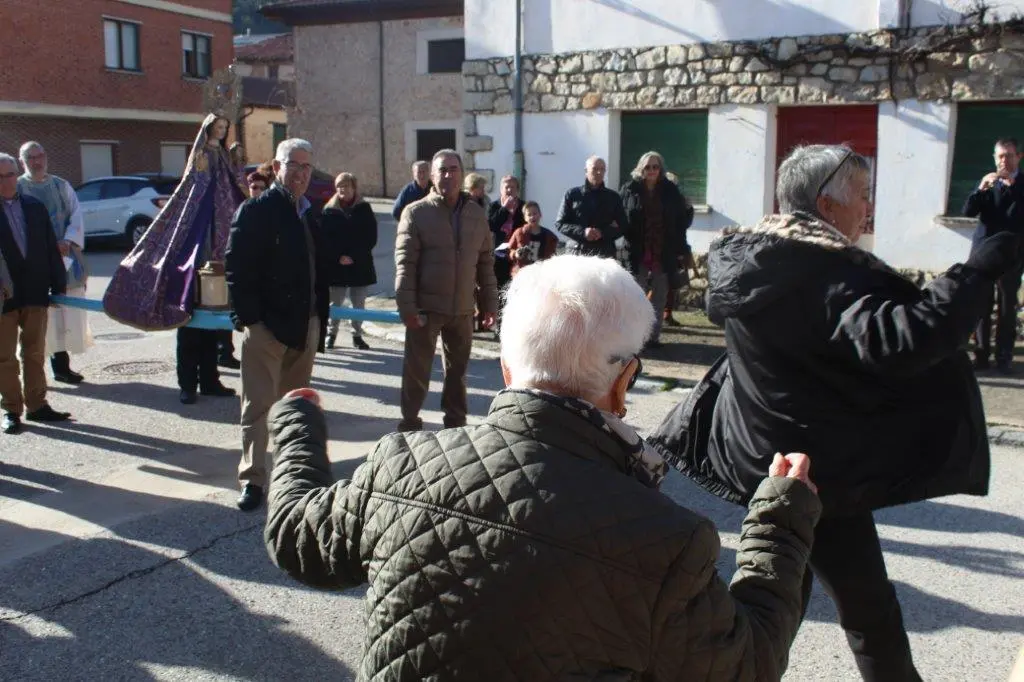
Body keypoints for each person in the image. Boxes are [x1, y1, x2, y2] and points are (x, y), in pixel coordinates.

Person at [262, 254, 822, 681]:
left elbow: (295, 534)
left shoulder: (402, 464)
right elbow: (749, 662)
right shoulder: (666, 541)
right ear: (623, 380)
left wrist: (296, 424)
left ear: (507, 369)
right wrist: (779, 519)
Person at [649, 144, 1021, 682]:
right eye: (863, 196)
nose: (868, 209)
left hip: (769, 456)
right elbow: (902, 338)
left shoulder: (759, 258)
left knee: (776, 600)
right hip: (809, 470)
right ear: (826, 205)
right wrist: (976, 271)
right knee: (867, 613)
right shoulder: (818, 269)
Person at [103, 114, 246, 405]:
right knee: (189, 323)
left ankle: (210, 380)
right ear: (207, 130)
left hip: (217, 253)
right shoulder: (202, 158)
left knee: (212, 326)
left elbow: (234, 190)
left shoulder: (222, 158)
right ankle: (187, 384)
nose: (220, 132)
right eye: (216, 128)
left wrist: (236, 164)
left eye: (223, 128)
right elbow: (194, 185)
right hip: (192, 256)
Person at [226, 137, 331, 512]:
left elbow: (317, 270)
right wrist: (251, 321)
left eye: (307, 167)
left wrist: (320, 317)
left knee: (295, 408)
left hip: (305, 324)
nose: (302, 174)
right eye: (294, 165)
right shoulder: (255, 210)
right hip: (267, 328)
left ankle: (291, 476)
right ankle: (253, 480)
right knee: (257, 408)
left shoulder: (310, 211)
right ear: (276, 166)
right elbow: (237, 270)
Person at [394, 149, 498, 432]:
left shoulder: (476, 215)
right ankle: (410, 425)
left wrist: (490, 305)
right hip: (425, 310)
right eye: (442, 170)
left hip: (462, 309)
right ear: (431, 176)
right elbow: (405, 264)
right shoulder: (415, 213)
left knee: (458, 374)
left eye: (453, 169)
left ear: (462, 175)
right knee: (416, 371)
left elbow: (485, 263)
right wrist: (407, 308)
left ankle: (455, 426)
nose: (448, 175)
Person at [0, 153, 69, 434]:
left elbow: (49, 245)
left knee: (35, 352)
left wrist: (58, 282)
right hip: (5, 295)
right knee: (4, 357)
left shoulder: (34, 206)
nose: (6, 181)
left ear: (17, 175)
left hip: (35, 291)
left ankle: (37, 405)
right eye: (0, 176)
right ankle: (11, 410)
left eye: (10, 174)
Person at [16, 141, 92, 384]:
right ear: (23, 162)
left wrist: (68, 241)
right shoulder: (16, 188)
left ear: (45, 156)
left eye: (39, 156)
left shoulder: (61, 186)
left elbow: (75, 215)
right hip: (33, 263)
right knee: (39, 318)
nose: (36, 162)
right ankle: (35, 371)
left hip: (64, 258)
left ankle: (62, 366)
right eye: (31, 158)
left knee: (65, 315)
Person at [620, 151, 694, 349]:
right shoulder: (629, 189)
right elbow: (621, 217)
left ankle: (653, 337)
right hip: (638, 250)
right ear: (640, 169)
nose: (651, 170)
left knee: (660, 295)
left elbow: (681, 222)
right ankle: (633, 339)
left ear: (661, 169)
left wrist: (682, 247)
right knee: (636, 295)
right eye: (647, 167)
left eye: (655, 167)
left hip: (664, 250)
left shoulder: (670, 191)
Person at [963, 137, 1024, 373]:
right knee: (981, 305)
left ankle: (1004, 357)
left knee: (1007, 307)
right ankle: (981, 356)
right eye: (999, 156)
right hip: (984, 254)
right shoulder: (988, 183)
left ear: (1018, 157)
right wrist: (980, 189)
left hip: (1012, 254)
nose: (1004, 161)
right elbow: (968, 211)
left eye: (1009, 155)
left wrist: (1013, 187)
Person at [322, 172, 377, 351]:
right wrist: (338, 256)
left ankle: (357, 336)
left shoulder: (364, 208)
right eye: (339, 186)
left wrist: (353, 256)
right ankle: (332, 334)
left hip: (359, 264)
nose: (342, 190)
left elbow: (370, 237)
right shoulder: (329, 210)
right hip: (336, 265)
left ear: (354, 188)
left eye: (346, 186)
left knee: (358, 303)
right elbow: (324, 239)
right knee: (334, 303)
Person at [556, 155, 628, 259]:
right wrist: (583, 232)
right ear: (586, 171)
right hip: (577, 253)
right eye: (595, 169)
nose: (599, 173)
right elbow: (560, 223)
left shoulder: (613, 197)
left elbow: (623, 225)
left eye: (602, 169)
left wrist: (602, 233)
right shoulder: (572, 194)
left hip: (604, 254)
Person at [507, 200, 557, 277]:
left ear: (540, 215)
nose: (532, 217)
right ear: (525, 218)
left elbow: (552, 255)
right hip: (522, 272)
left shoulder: (549, 235)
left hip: (542, 273)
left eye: (535, 213)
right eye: (529, 215)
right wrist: (515, 254)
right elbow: (510, 250)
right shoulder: (519, 232)